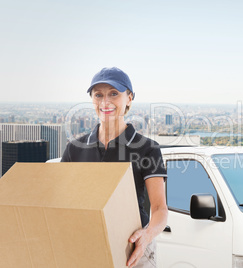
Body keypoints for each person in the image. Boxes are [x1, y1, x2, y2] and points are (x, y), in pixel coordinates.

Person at [61, 67, 167, 268]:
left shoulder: (147, 149)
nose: (105, 102)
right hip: (87, 247)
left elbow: (160, 209)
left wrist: (148, 235)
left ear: (129, 98)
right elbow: (63, 203)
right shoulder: (75, 148)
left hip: (134, 250)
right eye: (98, 95)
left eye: (113, 94)